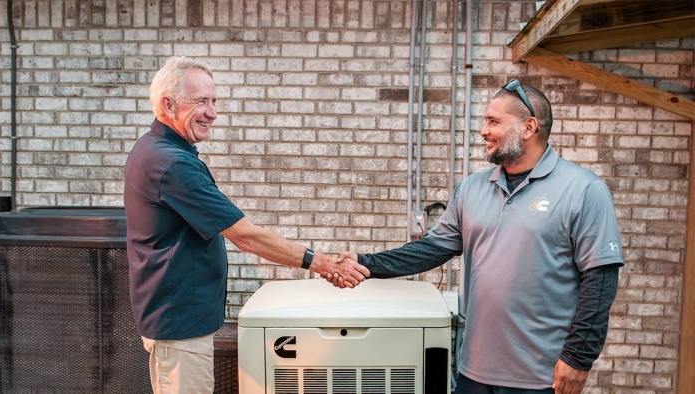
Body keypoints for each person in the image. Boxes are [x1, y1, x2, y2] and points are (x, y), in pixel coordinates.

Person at [334, 80, 623, 394]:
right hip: (475, 372)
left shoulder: (583, 189)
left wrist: (578, 358)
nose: (484, 131)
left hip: (540, 376)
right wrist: (364, 263)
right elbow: (431, 249)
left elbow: (600, 279)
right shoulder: (472, 188)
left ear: (528, 128)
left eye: (493, 121)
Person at [124, 56, 370, 394]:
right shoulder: (172, 164)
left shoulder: (155, 150)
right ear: (168, 104)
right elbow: (245, 235)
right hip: (179, 327)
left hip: (179, 319)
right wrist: (323, 263)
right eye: (201, 102)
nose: (212, 112)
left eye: (214, 101)